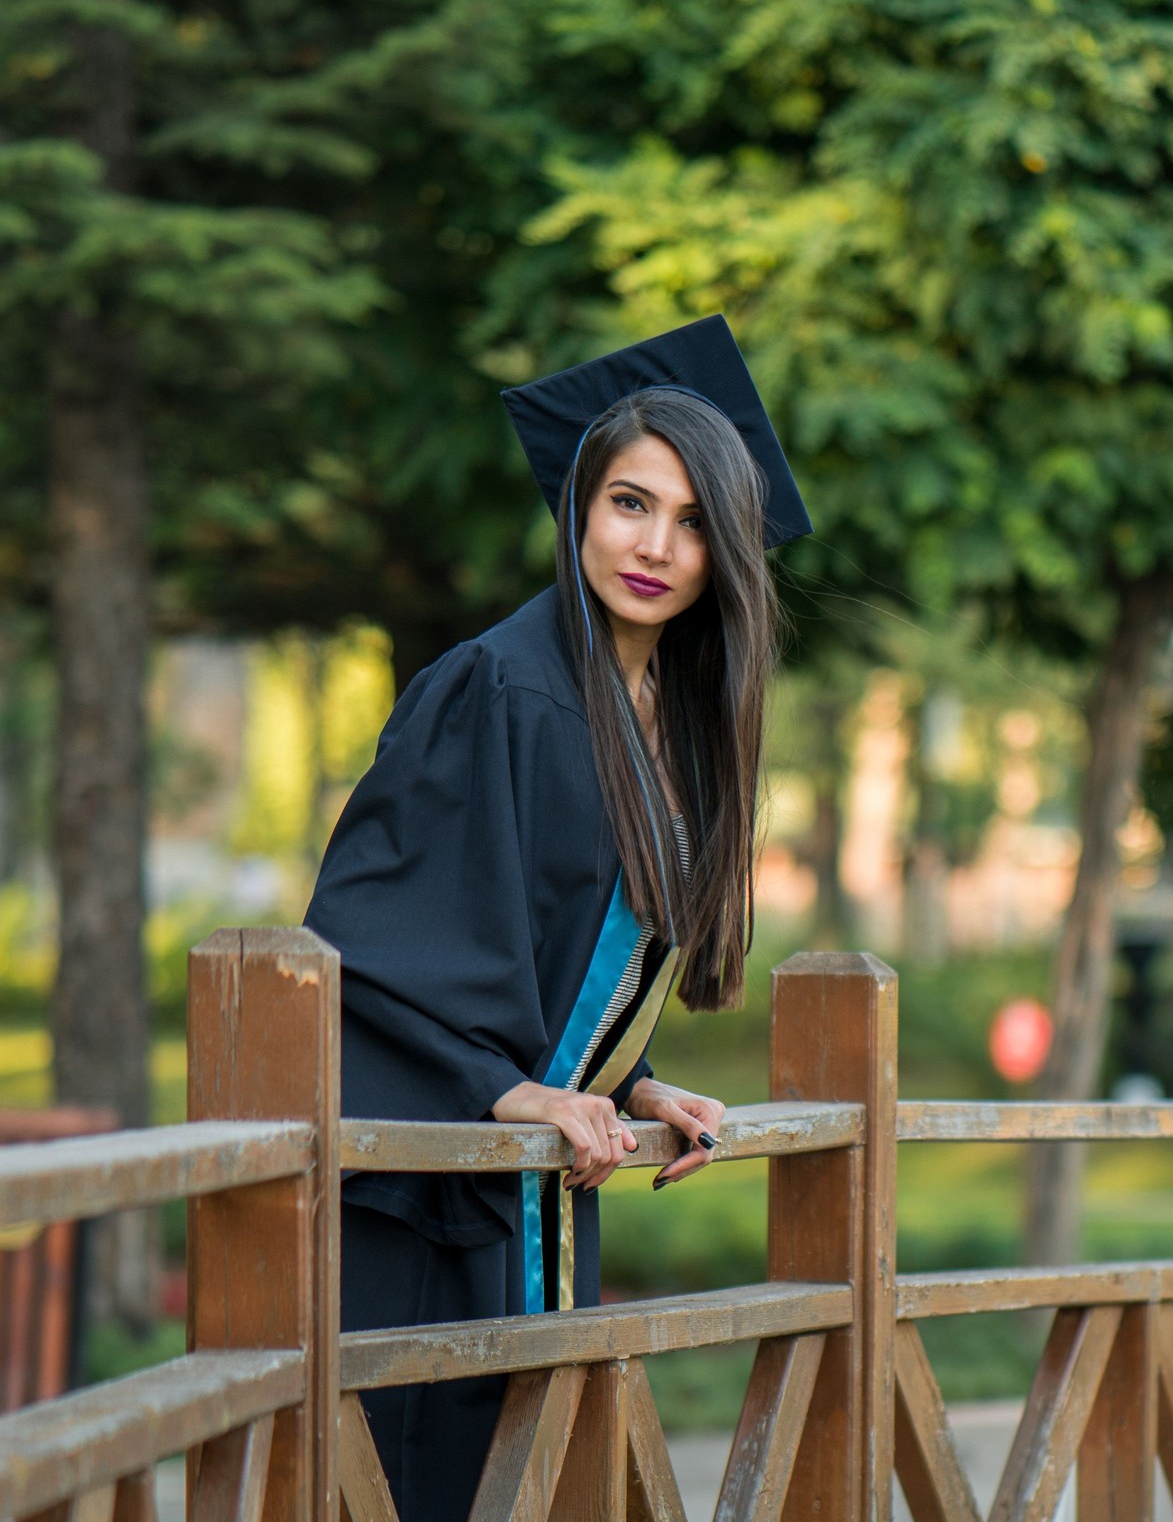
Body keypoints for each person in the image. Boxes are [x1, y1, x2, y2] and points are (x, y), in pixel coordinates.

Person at [304, 315, 810, 1522]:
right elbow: (381, 948)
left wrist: (630, 1079)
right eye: (631, 504)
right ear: (580, 505)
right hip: (427, 1202)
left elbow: (556, 952)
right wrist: (510, 1088)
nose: (656, 547)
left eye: (693, 523)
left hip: (531, 1186)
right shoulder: (499, 686)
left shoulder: (665, 718)